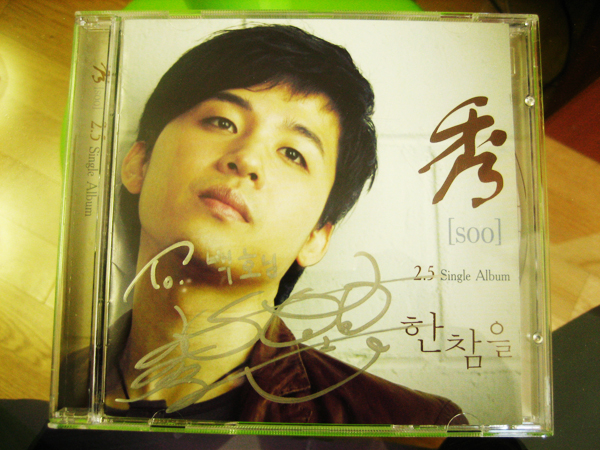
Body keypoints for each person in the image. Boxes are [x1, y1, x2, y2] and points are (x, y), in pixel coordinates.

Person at [66, 24, 466, 426]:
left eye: (293, 153)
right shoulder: (51, 385)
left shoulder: (419, 432)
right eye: (222, 122)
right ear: (139, 163)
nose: (247, 159)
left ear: (315, 238)